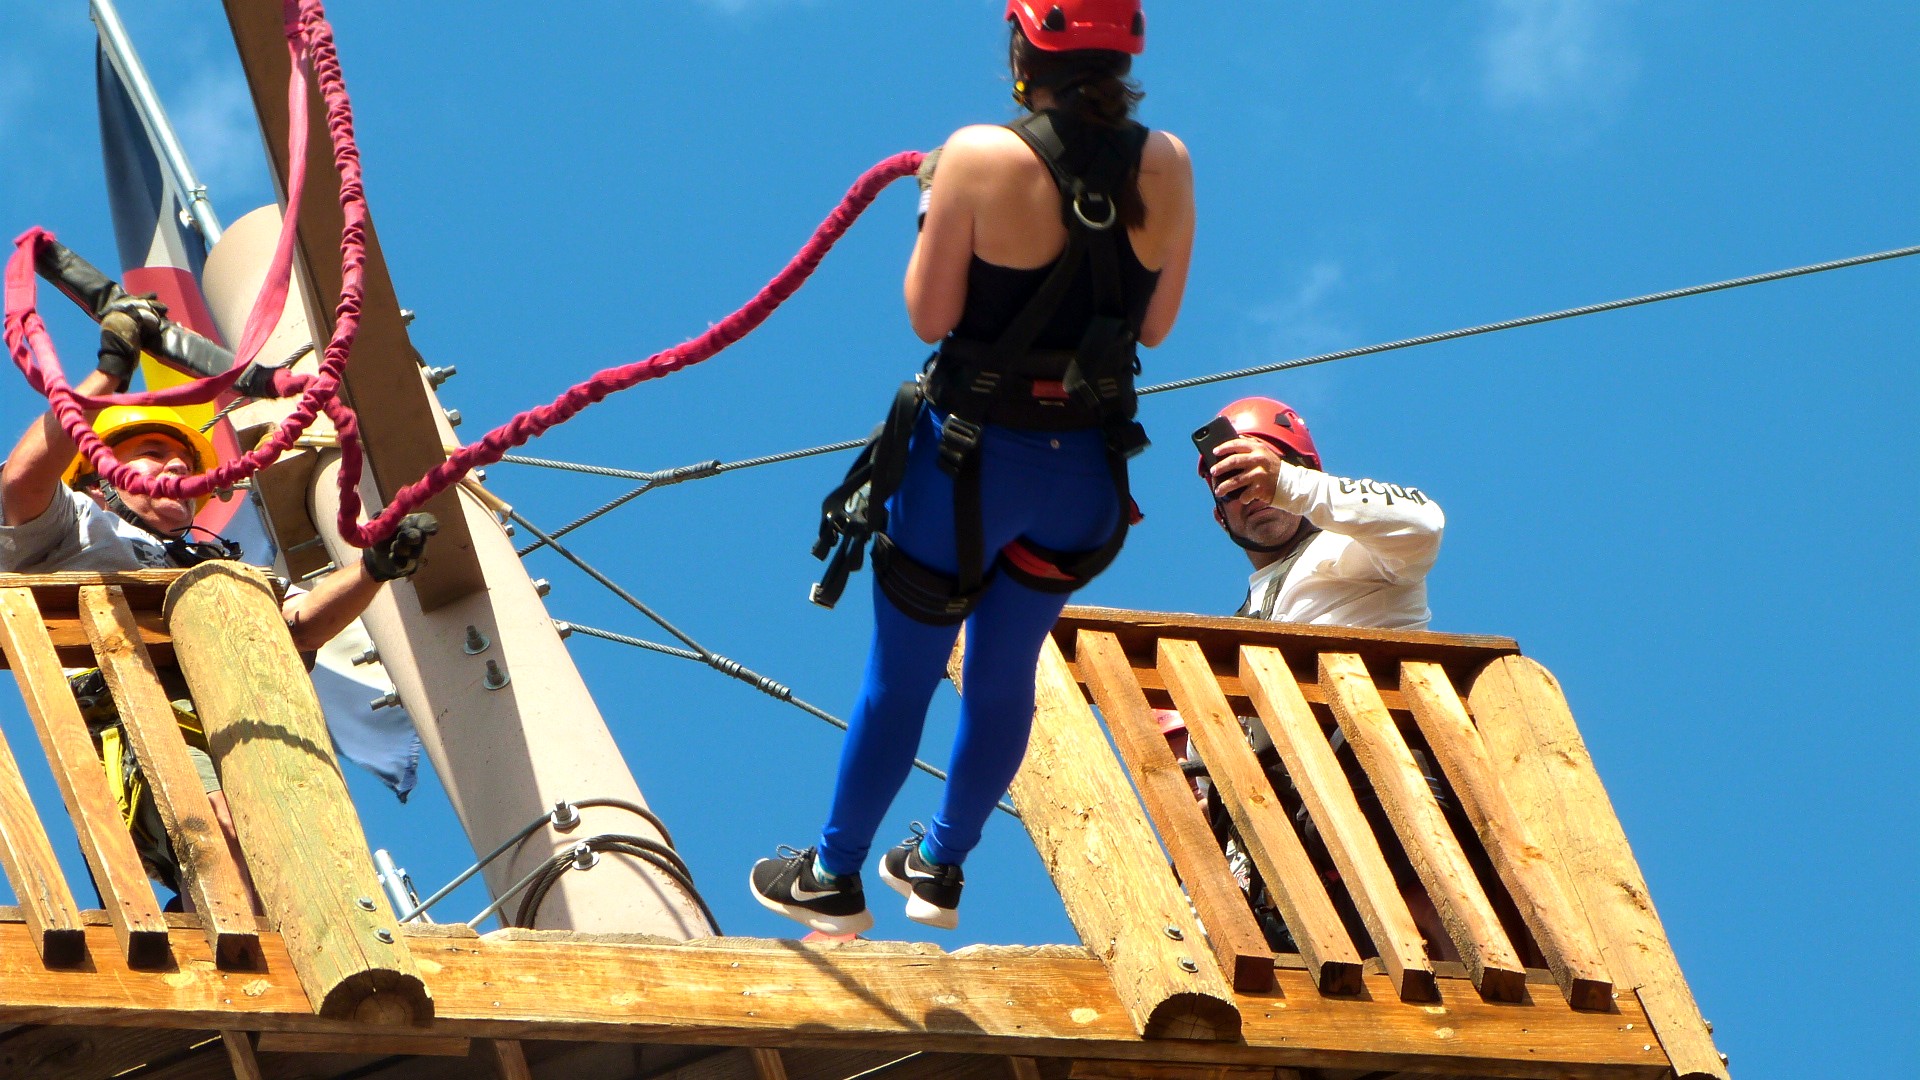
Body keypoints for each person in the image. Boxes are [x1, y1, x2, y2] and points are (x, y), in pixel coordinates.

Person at [755, 0, 1194, 934]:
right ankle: (942, 867)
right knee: (1006, 673)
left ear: (1022, 51)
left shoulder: (977, 155)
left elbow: (928, 315)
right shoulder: (1169, 163)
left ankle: (833, 877)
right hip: (1084, 478)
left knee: (902, 675)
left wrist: (938, 204)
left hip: (968, 467)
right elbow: (1154, 328)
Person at [0, 334, 437, 904]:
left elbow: (297, 626)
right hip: (148, 730)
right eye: (153, 452)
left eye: (179, 456)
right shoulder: (76, 526)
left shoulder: (210, 567)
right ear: (97, 476)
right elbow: (21, 483)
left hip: (238, 730)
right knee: (233, 836)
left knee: (298, 864)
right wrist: (107, 373)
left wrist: (374, 568)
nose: (178, 463)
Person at [1185, 395, 1456, 955]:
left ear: (1305, 474)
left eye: (1263, 473)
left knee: (1416, 893)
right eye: (1234, 488)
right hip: (1297, 840)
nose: (1253, 495)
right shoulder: (1239, 627)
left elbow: (1424, 522)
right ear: (1221, 517)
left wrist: (1289, 484)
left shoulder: (1357, 553)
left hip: (1376, 769)